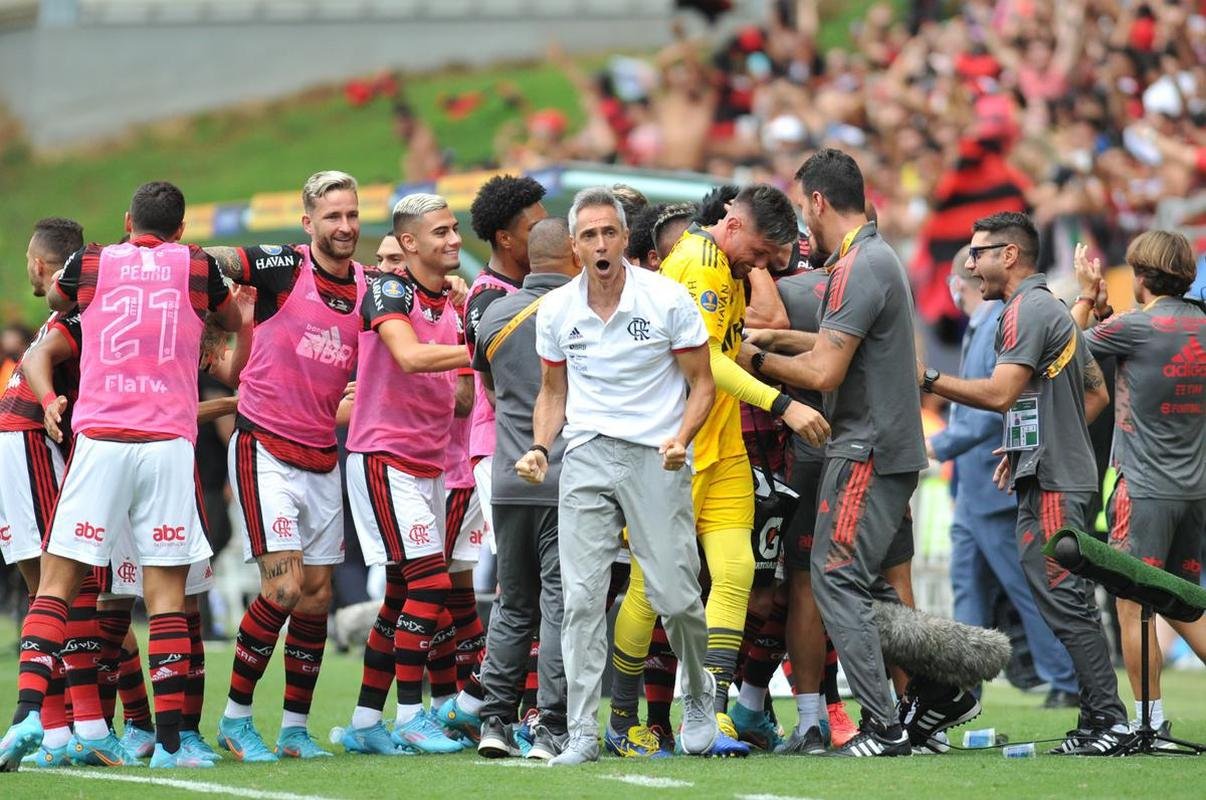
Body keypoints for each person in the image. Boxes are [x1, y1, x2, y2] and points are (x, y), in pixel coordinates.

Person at [0, 182, 240, 771]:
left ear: (128, 220)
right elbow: (231, 321)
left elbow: (58, 301)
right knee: (164, 600)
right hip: (164, 445)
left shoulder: (92, 265)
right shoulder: (198, 267)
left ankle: (33, 714)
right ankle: (171, 744)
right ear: (181, 230)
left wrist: (54, 395)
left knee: (55, 586)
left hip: (99, 442)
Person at [740, 149, 964, 756]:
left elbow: (825, 366)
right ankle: (945, 689)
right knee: (883, 588)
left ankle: (883, 724)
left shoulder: (859, 264)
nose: (803, 227)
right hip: (885, 445)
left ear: (816, 201)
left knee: (834, 580)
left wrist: (751, 361)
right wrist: (776, 335)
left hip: (865, 447)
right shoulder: (869, 257)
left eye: (803, 209)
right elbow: (838, 339)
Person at [522, 186, 745, 764]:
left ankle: (699, 695)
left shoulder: (666, 299)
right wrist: (541, 447)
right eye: (589, 235)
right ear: (574, 246)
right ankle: (581, 731)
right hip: (588, 454)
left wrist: (681, 439)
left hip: (657, 454)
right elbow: (552, 391)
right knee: (580, 599)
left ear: (625, 239)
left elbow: (703, 384)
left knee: (676, 597)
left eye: (609, 232)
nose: (600, 243)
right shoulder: (556, 311)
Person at [608, 183, 827, 754]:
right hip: (673, 448)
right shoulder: (701, 265)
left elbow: (730, 350)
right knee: (648, 590)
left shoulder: (726, 266)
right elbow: (708, 366)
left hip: (723, 444)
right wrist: (784, 402)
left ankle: (710, 714)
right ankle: (621, 719)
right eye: (763, 249)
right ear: (734, 226)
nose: (768, 264)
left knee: (733, 573)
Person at [921, 211, 1131, 756]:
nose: (971, 264)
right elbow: (1092, 395)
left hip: (1058, 483)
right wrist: (1025, 446)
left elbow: (998, 393)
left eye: (978, 253)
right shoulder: (1041, 309)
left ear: (1008, 255)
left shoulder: (1024, 312)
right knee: (1057, 596)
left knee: (1065, 599)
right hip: (1047, 473)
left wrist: (923, 377)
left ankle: (1107, 720)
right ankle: (1098, 718)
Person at [206, 171, 368, 762]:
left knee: (318, 597)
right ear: (309, 223)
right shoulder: (281, 267)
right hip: (264, 449)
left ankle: (296, 729)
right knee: (284, 587)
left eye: (351, 215)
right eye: (332, 217)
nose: (344, 226)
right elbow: (208, 262)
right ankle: (236, 719)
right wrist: (217, 327)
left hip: (323, 456)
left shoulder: (370, 291)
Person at [339, 193, 470, 756]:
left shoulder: (455, 303)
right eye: (440, 232)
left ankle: (367, 721)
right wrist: (477, 349)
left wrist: (469, 359)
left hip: (429, 464)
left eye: (455, 229)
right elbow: (411, 357)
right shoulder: (390, 290)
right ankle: (412, 716)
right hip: (383, 458)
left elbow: (462, 403)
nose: (454, 239)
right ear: (410, 242)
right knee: (431, 584)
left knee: (399, 597)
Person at [928, 247, 1079, 709]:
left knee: (1025, 589)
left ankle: (1066, 680)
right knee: (966, 587)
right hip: (970, 491)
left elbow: (993, 411)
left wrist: (934, 447)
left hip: (991, 489)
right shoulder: (978, 329)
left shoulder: (997, 326)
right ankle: (965, 682)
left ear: (963, 284)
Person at [1070, 232, 1206, 739]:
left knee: (1134, 604)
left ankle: (1147, 722)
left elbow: (1060, 346)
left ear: (1142, 277)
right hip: (1194, 490)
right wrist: (1111, 318)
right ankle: (1149, 719)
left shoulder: (1139, 325)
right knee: (1185, 602)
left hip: (1143, 487)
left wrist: (1087, 298)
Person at [440, 174, 548, 737]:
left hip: (539, 451)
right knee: (520, 580)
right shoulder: (487, 298)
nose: (548, 230)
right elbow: (495, 385)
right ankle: (517, 708)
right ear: (507, 238)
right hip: (499, 450)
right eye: (536, 225)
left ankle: (477, 698)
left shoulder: (536, 287)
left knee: (537, 577)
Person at [470, 217, 579, 760]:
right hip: (567, 479)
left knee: (513, 605)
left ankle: (494, 721)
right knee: (559, 606)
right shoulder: (580, 313)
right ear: (574, 256)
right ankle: (550, 726)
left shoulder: (494, 314)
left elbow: (488, 387)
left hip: (509, 478)